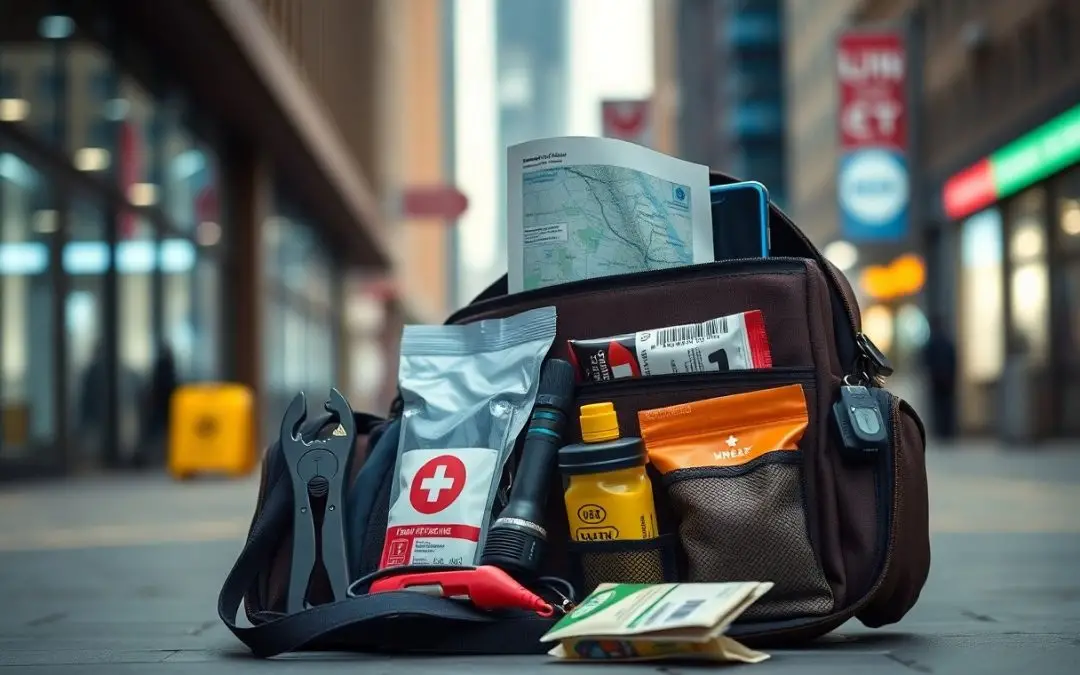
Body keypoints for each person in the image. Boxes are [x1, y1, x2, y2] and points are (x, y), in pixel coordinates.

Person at [921, 315, 958, 439]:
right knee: (946, 405)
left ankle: (941, 430)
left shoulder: (932, 343)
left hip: (937, 379)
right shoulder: (947, 342)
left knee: (938, 405)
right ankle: (947, 430)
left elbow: (926, 360)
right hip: (947, 379)